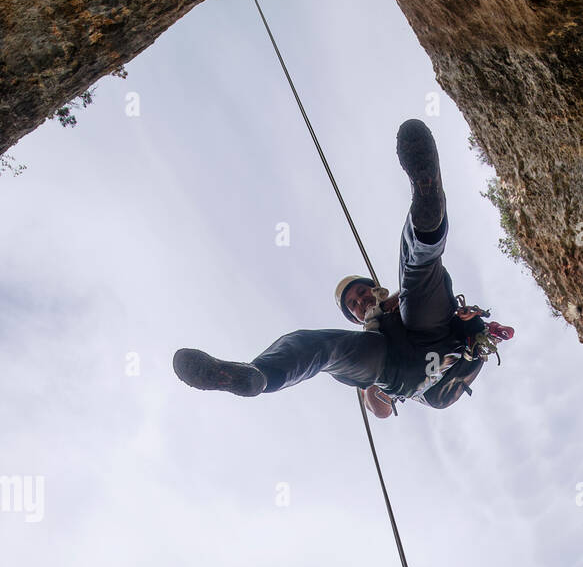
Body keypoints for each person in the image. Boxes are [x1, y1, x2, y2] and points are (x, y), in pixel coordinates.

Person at [173, 120, 512, 417]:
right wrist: (368, 384)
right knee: (321, 347)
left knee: (417, 274)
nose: (360, 300)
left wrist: (395, 308)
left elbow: (415, 296)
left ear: (373, 289)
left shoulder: (398, 303)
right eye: (353, 304)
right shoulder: (368, 345)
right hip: (400, 371)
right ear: (353, 318)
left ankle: (427, 204)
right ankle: (251, 376)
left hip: (436, 336)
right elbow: (379, 411)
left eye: (362, 292)